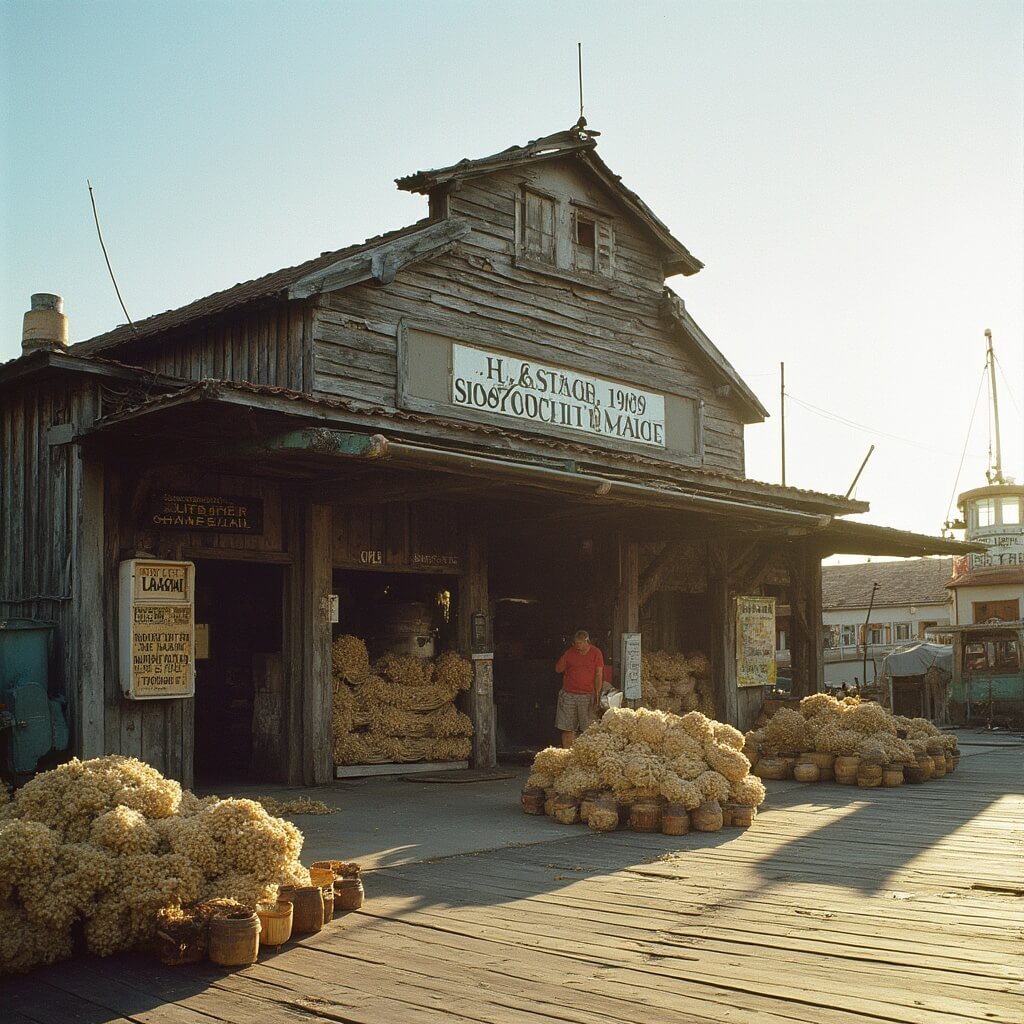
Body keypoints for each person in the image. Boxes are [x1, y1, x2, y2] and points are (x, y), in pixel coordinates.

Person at [554, 630, 604, 747]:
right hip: (569, 695)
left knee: (589, 728)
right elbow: (558, 669)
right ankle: (567, 754)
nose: (578, 646)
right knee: (567, 727)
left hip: (587, 695)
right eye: (576, 643)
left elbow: (598, 675)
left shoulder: (596, 653)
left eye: (580, 643)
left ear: (587, 641)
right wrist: (565, 656)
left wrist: (597, 697)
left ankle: (586, 755)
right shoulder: (570, 653)